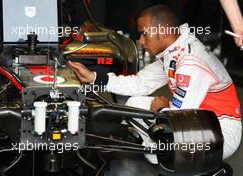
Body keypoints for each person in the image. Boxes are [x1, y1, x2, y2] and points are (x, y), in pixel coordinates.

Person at [68, 5, 242, 162]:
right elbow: (140, 83)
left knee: (162, 133)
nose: (141, 41)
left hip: (220, 133)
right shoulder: (174, 51)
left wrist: (161, 109)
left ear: (164, 31)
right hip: (199, 120)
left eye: (144, 33)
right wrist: (93, 78)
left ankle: (166, 156)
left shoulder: (189, 62)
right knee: (134, 104)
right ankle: (158, 152)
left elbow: (181, 123)